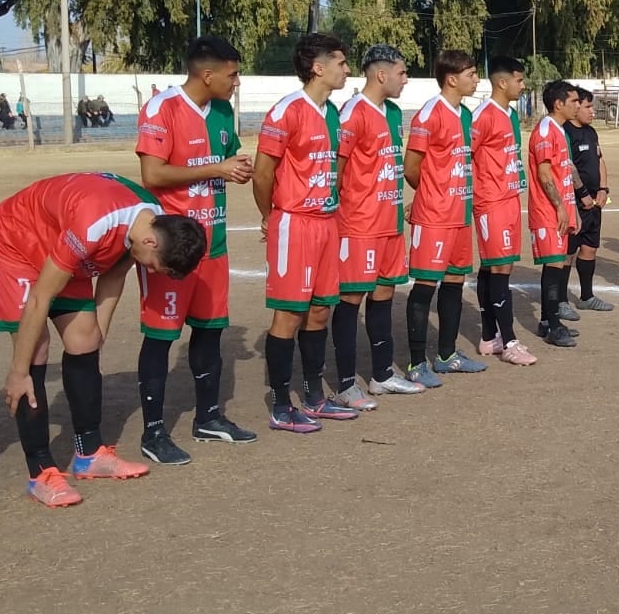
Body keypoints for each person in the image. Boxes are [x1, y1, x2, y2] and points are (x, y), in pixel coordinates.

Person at [0, 172, 205, 507]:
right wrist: (17, 371)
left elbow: (114, 273)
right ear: (151, 243)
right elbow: (41, 298)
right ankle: (41, 472)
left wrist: (99, 331)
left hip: (60, 244)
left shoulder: (152, 221)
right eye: (157, 267)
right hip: (15, 242)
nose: (154, 273)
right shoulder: (94, 224)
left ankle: (89, 454)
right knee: (35, 349)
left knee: (84, 340)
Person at [134, 37, 259, 464]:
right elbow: (152, 173)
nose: (237, 82)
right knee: (161, 337)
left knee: (210, 330)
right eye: (232, 74)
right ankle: (153, 433)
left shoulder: (222, 112)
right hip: (171, 251)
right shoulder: (162, 108)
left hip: (215, 243)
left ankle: (208, 418)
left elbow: (226, 158)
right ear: (208, 75)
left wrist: (237, 167)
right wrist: (217, 168)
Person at [253, 32, 358, 433]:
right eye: (341, 62)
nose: (346, 69)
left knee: (319, 311)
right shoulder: (286, 112)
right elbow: (263, 174)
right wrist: (272, 215)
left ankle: (314, 396)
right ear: (318, 67)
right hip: (295, 223)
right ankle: (281, 405)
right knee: (289, 315)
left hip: (327, 224)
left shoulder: (332, 113)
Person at [334, 44, 424, 399]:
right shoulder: (352, 113)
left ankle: (382, 374)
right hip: (359, 223)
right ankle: (344, 383)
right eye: (402, 72)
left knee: (385, 292)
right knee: (351, 297)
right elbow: (337, 171)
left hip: (389, 222)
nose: (406, 79)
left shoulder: (392, 112)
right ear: (381, 74)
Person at [403, 49, 486, 382]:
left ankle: (447, 355)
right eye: (471, 74)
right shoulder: (429, 115)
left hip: (460, 214)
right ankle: (415, 363)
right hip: (435, 216)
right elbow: (411, 168)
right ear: (452, 78)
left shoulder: (465, 115)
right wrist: (431, 197)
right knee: (425, 287)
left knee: (454, 283)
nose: (476, 80)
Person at [471, 56, 536, 366]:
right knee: (500, 269)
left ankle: (488, 337)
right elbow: (464, 155)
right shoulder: (482, 115)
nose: (523, 86)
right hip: (490, 202)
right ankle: (509, 341)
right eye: (519, 80)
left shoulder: (509, 114)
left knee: (494, 266)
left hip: (509, 199)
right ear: (502, 82)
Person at [529, 81, 581, 346]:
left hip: (561, 210)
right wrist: (560, 207)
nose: (577, 105)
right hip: (547, 211)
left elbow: (564, 174)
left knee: (558, 264)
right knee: (553, 265)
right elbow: (544, 172)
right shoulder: (545, 131)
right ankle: (553, 326)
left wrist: (573, 210)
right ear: (558, 104)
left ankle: (549, 321)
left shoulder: (560, 131)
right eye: (573, 101)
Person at [564, 88, 612, 311]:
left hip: (593, 202)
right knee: (567, 253)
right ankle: (561, 302)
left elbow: (600, 160)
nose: (593, 111)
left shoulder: (591, 133)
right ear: (575, 108)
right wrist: (582, 194)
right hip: (574, 203)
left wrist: (603, 189)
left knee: (589, 249)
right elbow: (568, 168)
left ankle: (586, 297)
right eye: (587, 106)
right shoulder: (565, 133)